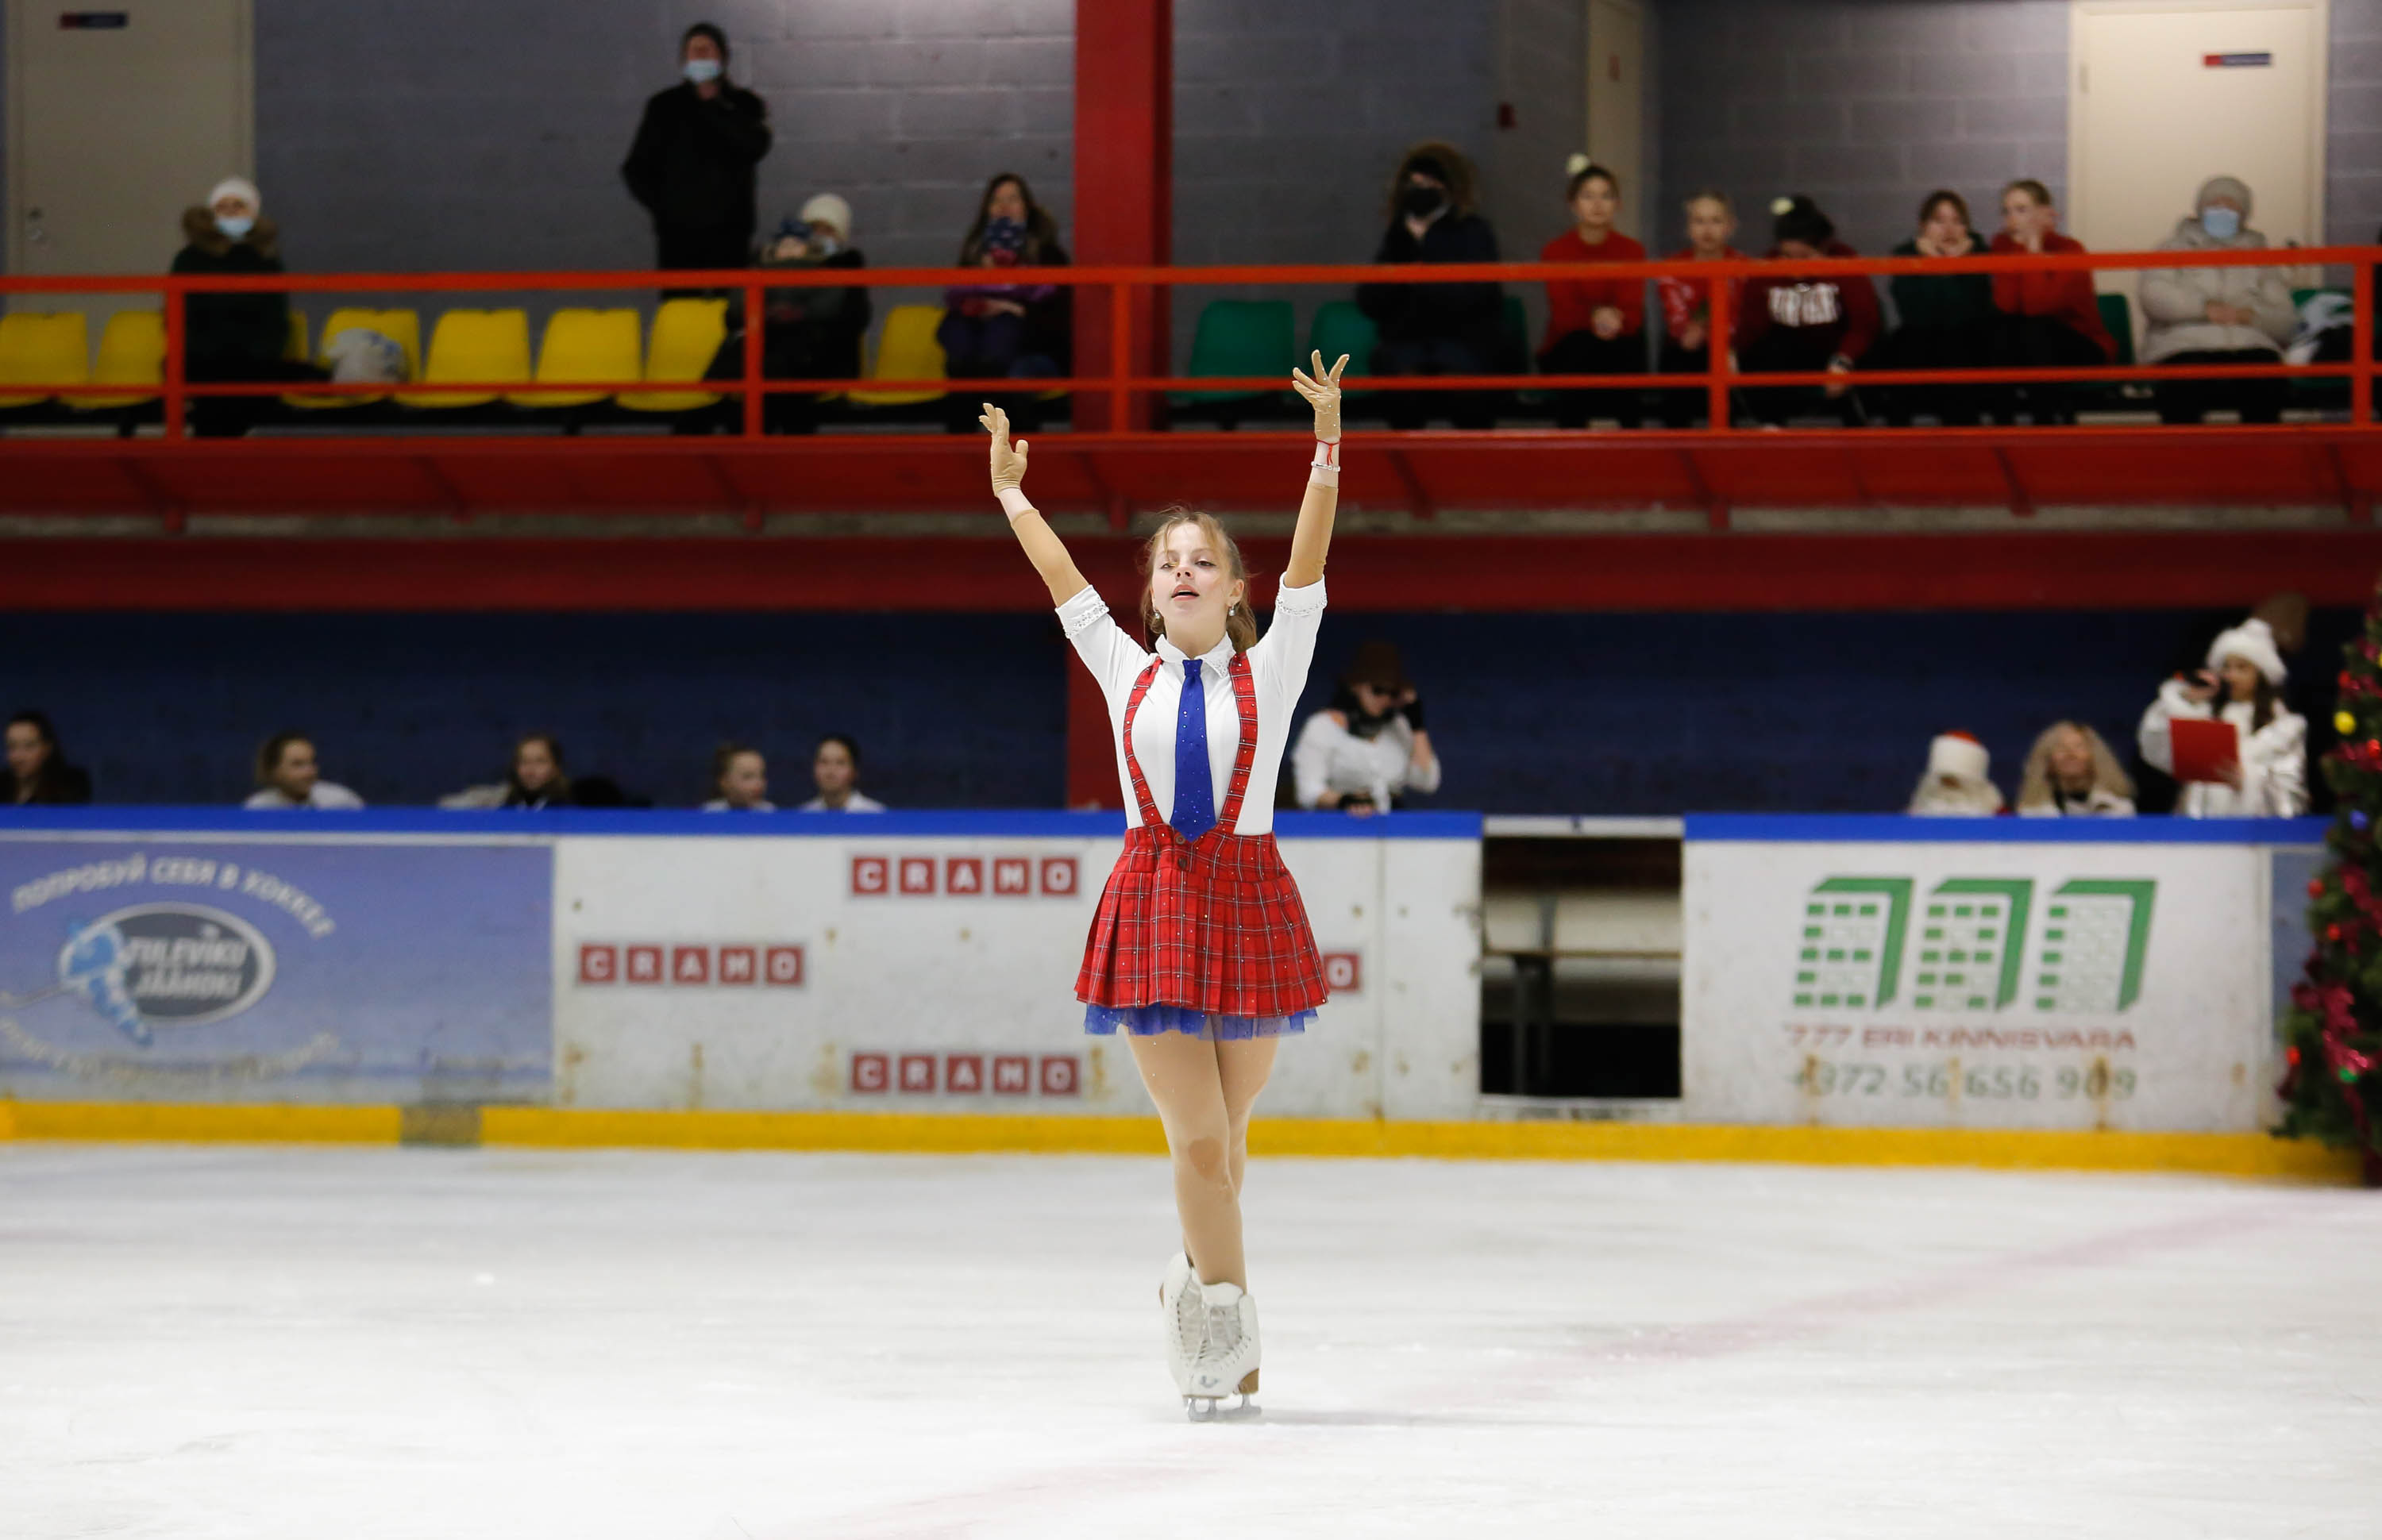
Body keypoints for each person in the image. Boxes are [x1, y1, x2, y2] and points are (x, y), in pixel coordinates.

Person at [977, 349, 1346, 1415]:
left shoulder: (1274, 664)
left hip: (1250, 895)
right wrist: (1012, 493)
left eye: (1203, 561)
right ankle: (1225, 1328)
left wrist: (1327, 447)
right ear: (1149, 591)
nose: (1183, 571)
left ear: (1234, 588)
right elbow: (1060, 576)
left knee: (1231, 1139)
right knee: (1199, 1139)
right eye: (1168, 562)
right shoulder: (1121, 667)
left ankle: (1188, 1273)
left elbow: (1310, 562)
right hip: (1155, 900)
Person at [1356, 142, 1502, 430]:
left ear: (1449, 187)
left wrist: (1420, 278)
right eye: (1415, 183)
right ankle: (1407, 455)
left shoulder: (1474, 231)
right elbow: (1371, 299)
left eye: (1430, 183)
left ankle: (1474, 454)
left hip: (1463, 341)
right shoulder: (1398, 234)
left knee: (1464, 383)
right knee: (1401, 380)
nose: (1421, 190)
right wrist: (1406, 253)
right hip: (1406, 343)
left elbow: (1478, 294)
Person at [2139, 175, 2295, 425]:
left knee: (2266, 377)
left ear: (2244, 212)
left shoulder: (2261, 256)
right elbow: (2154, 295)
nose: (2222, 210)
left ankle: (2262, 449)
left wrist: (2249, 316)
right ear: (2200, 208)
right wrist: (2204, 310)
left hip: (2248, 343)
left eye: (2231, 204)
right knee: (2182, 384)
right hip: (2184, 345)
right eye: (2214, 203)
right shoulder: (2172, 249)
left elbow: (2285, 317)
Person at [171, 177, 318, 438]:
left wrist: (257, 354)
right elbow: (182, 318)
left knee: (242, 385)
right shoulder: (189, 259)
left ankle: (214, 452)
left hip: (254, 361)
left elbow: (275, 319)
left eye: (238, 207)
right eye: (223, 207)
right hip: (204, 359)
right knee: (220, 386)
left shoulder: (264, 260)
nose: (231, 214)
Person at [621, 22, 773, 275]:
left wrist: (713, 105)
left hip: (730, 237)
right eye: (695, 50)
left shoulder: (745, 104)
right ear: (684, 59)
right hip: (678, 239)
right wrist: (667, 209)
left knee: (730, 300)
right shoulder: (664, 107)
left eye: (708, 49)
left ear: (723, 57)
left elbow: (755, 146)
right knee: (682, 300)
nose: (701, 56)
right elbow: (636, 168)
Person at [938, 173, 1072, 432]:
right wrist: (980, 289)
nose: (1004, 207)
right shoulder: (975, 252)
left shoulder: (1048, 254)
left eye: (1013, 199)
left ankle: (1019, 453)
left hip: (1032, 347)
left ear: (1027, 208)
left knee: (1005, 377)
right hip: (976, 339)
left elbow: (1057, 319)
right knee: (961, 366)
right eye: (996, 200)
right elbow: (955, 298)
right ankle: (959, 450)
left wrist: (1013, 309)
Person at [2137, 616, 2307, 817]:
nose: (2231, 675)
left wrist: (2247, 781)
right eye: (2227, 667)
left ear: (2261, 674)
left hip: (2254, 832)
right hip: (2200, 828)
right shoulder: (2205, 717)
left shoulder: (2285, 729)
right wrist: (2185, 698)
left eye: (2242, 668)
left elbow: (2291, 798)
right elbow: (2155, 746)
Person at [1738, 195, 1879, 427]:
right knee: (1761, 355)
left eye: (1804, 258)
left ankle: (1859, 428)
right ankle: (1770, 426)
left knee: (1873, 356)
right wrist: (1730, 353)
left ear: (1823, 248)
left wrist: (1843, 361)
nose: (1796, 267)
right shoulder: (1768, 266)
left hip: (1835, 349)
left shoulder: (1844, 260)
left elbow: (1864, 323)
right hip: (1788, 355)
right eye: (1788, 257)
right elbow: (1752, 327)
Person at [1990, 180, 2116, 425]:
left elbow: (2038, 306)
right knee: (2001, 329)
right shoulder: (2003, 245)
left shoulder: (2070, 249)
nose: (2012, 218)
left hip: (2081, 342)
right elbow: (2007, 305)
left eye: (2021, 210)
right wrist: (2021, 248)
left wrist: (2034, 248)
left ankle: (2044, 426)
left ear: (2043, 213)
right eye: (2007, 211)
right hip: (2028, 345)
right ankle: (2003, 430)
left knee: (2035, 328)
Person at [1537, 157, 1646, 429]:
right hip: (1570, 343)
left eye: (1606, 196)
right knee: (1578, 349)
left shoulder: (1632, 251)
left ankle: (1634, 446)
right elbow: (1564, 312)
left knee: (1628, 352)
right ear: (1573, 205)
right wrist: (1597, 316)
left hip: (1618, 339)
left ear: (1617, 204)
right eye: (1588, 196)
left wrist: (1614, 318)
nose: (1598, 205)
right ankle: (1571, 446)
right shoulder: (1555, 251)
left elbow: (1632, 309)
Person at [1871, 191, 1993, 428]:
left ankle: (1964, 439)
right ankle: (1897, 440)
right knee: (1903, 345)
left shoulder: (1979, 253)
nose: (1949, 230)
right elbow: (1916, 314)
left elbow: (1964, 313)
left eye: (1957, 221)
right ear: (1923, 226)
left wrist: (1950, 266)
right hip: (1921, 341)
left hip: (1967, 342)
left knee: (1958, 345)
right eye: (1939, 221)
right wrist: (1938, 263)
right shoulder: (1905, 255)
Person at [1290, 641, 1440, 813]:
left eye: (1393, 693)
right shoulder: (1322, 726)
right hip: (1341, 823)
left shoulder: (1399, 727)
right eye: (1378, 690)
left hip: (1391, 823)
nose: (1385, 699)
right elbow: (1307, 792)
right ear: (1355, 686)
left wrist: (1417, 725)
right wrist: (1345, 800)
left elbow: (1427, 782)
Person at [1653, 190, 1746, 428]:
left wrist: (1725, 347)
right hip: (1688, 349)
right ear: (1688, 228)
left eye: (1716, 221)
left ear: (1730, 226)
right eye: (1699, 221)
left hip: (1732, 349)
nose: (1707, 229)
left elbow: (1742, 319)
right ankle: (1677, 444)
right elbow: (1679, 325)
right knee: (1679, 358)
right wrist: (1694, 333)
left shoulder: (1745, 268)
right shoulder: (1671, 268)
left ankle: (1728, 442)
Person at [2017, 722, 2136, 818]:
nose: (2071, 753)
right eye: (2061, 748)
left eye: (2079, 746)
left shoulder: (2120, 809)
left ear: (2095, 758)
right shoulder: (2031, 812)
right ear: (2047, 761)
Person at [440, 733, 574, 809]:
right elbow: (446, 805)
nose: (531, 771)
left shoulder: (571, 806)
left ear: (556, 768)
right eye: (524, 762)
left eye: (540, 762)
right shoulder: (500, 799)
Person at [245, 733, 364, 810]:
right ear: (275, 770)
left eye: (312, 762)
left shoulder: (343, 802)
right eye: (298, 764)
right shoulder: (258, 807)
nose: (310, 772)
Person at [2, 711, 92, 805]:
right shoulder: (3, 784)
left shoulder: (70, 784)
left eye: (29, 746)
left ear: (47, 748)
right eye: (12, 746)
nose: (19, 757)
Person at [1907, 731, 2003, 816]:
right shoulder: (1923, 800)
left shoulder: (1991, 806)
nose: (1950, 784)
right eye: (1945, 780)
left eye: (1955, 781)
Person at [799, 733, 885, 812]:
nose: (831, 771)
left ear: (855, 771)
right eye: (824, 762)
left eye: (840, 763)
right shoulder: (803, 815)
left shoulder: (875, 814)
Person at [701, 743, 774, 811]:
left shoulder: (769, 811)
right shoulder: (710, 812)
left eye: (762, 776)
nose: (759, 784)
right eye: (747, 777)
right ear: (724, 782)